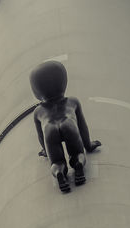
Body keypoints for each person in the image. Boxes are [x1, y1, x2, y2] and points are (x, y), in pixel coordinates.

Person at [30, 61, 101, 193]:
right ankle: (78, 163)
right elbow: (82, 127)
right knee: (77, 153)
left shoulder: (38, 111)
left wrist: (45, 150)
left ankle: (59, 172)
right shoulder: (73, 101)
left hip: (49, 129)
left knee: (56, 161)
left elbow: (41, 136)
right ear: (64, 82)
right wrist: (88, 145)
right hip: (68, 123)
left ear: (36, 90)